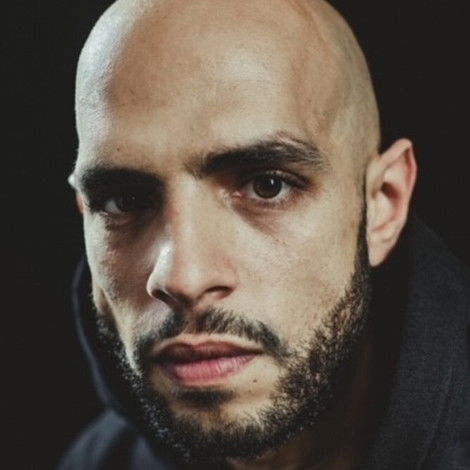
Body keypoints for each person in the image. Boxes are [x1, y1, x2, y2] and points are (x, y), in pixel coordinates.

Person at [59, 0, 470, 468]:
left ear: (383, 205)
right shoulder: (101, 459)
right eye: (123, 201)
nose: (183, 278)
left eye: (267, 186)